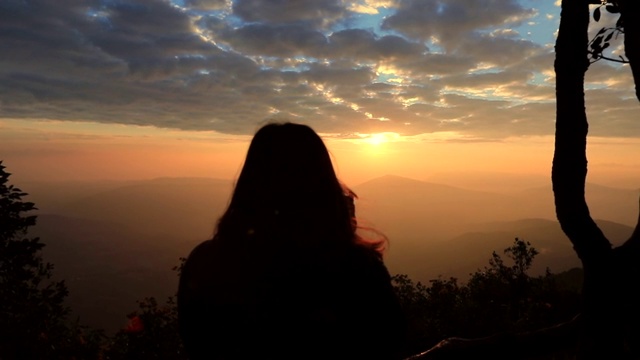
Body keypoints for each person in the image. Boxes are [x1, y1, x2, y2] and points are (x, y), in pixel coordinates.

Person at [177, 122, 406, 359]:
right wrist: (344, 231)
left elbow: (195, 341)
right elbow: (389, 342)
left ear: (250, 183)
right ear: (324, 186)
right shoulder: (356, 269)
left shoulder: (205, 263)